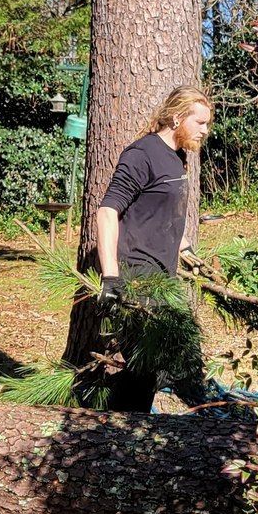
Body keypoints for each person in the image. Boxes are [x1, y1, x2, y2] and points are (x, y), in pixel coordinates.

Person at [91, 86, 213, 409]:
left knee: (157, 371)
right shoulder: (142, 154)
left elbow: (164, 215)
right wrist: (112, 279)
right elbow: (107, 212)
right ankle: (116, 442)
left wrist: (186, 250)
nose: (205, 130)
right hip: (136, 280)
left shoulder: (177, 158)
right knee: (156, 368)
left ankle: (122, 437)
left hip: (163, 281)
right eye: (200, 123)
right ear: (176, 118)